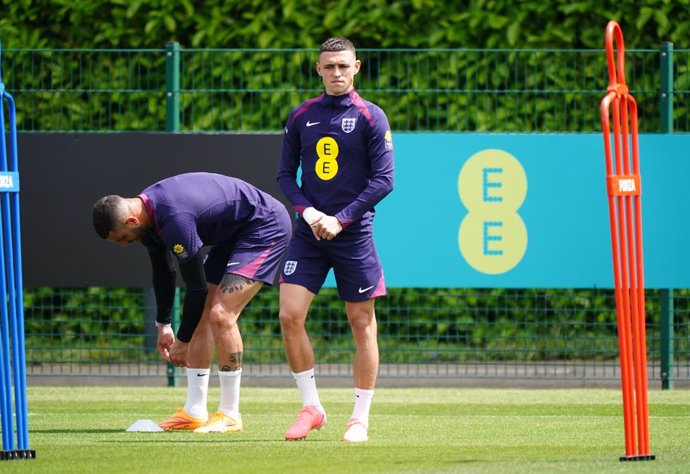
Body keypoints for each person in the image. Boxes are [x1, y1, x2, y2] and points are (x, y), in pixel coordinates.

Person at [92, 172, 291, 433]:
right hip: (231, 237)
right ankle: (194, 411)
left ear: (131, 220)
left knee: (220, 313)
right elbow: (164, 271)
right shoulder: (146, 216)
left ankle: (231, 414)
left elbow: (196, 288)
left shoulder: (174, 219)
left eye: (121, 237)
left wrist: (182, 342)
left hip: (265, 227)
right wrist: (163, 324)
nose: (123, 244)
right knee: (199, 312)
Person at [277, 36, 395, 443]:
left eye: (343, 66)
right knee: (289, 316)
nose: (337, 73)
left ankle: (359, 418)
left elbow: (384, 181)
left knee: (361, 323)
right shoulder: (301, 116)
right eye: (329, 66)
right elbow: (283, 176)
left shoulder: (371, 116)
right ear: (318, 69)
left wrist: (341, 220)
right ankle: (312, 407)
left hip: (353, 233)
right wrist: (309, 213)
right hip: (309, 234)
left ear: (357, 67)